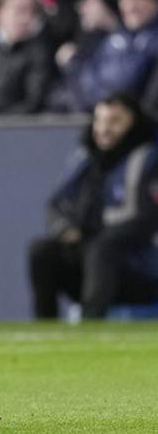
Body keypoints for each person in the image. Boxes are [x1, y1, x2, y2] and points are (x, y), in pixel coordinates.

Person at [28, 93, 158, 319]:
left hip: (137, 266)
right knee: (42, 250)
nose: (105, 129)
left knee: (102, 247)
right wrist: (65, 228)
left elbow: (144, 219)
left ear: (133, 123)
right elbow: (56, 203)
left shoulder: (148, 159)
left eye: (115, 121)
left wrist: (95, 232)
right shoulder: (85, 158)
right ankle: (44, 326)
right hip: (90, 260)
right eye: (100, 120)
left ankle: (90, 322)